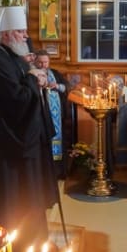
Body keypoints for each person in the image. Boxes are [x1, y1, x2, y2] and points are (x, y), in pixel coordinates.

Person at [0, 6, 59, 252]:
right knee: (14, 204)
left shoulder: (11, 57)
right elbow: (16, 102)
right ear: (5, 34)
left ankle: (34, 245)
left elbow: (24, 86)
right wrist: (32, 80)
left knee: (28, 201)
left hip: (21, 148)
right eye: (19, 31)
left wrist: (35, 78)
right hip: (8, 153)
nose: (25, 36)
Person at [34, 49, 70, 179]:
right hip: (41, 118)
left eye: (46, 62)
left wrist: (57, 86)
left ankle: (58, 172)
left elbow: (66, 87)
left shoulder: (55, 73)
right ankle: (46, 175)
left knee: (58, 142)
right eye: (40, 62)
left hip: (57, 118)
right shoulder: (32, 75)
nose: (43, 65)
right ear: (35, 62)